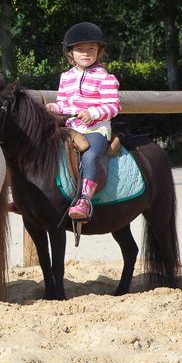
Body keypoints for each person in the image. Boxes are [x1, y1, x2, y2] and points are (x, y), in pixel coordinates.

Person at [45, 21, 121, 221]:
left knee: (90, 155)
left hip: (96, 129)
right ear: (70, 53)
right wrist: (54, 108)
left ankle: (85, 199)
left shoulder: (105, 78)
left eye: (91, 49)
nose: (86, 53)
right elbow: (64, 104)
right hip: (72, 128)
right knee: (45, 148)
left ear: (99, 51)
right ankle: (36, 195)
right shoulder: (66, 77)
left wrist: (94, 113)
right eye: (80, 49)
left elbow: (113, 106)